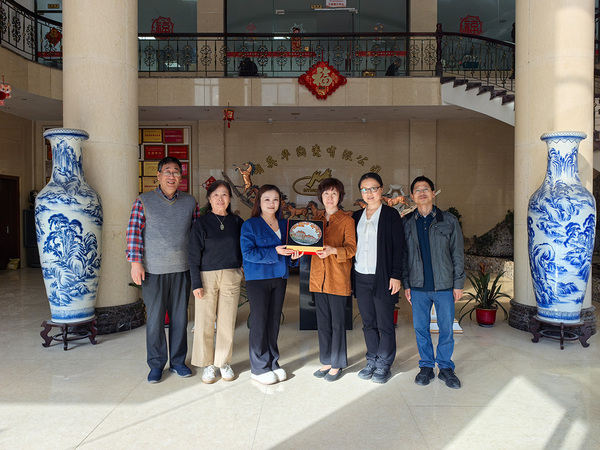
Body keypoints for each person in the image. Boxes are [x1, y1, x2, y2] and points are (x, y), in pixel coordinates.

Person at [126, 156, 200, 383]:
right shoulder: (143, 201)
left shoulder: (190, 202)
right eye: (167, 172)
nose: (171, 176)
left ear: (181, 177)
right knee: (156, 320)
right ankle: (156, 364)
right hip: (153, 271)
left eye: (176, 172)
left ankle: (178, 362)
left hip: (182, 269)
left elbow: (196, 235)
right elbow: (133, 233)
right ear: (158, 175)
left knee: (180, 318)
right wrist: (135, 263)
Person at [402, 176, 465, 389]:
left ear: (433, 193)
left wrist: (458, 283)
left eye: (426, 189)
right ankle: (426, 366)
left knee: (446, 328)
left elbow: (457, 253)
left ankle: (446, 367)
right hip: (418, 286)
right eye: (417, 190)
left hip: (444, 285)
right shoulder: (407, 223)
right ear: (412, 196)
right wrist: (407, 284)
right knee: (421, 329)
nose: (422, 193)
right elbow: (404, 256)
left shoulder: (448, 220)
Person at [240, 184, 302, 385]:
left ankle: (273, 362)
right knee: (259, 321)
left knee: (274, 321)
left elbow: (289, 253)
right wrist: (275, 251)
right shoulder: (250, 225)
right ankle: (258, 368)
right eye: (266, 199)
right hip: (258, 279)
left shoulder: (285, 225)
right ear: (259, 202)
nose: (271, 203)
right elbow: (248, 253)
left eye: (275, 199)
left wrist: (294, 257)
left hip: (280, 278)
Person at [188, 180, 244, 384]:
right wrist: (196, 282)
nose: (220, 199)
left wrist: (242, 266)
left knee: (227, 322)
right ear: (209, 199)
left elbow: (245, 246)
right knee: (204, 322)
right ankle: (207, 365)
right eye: (216, 195)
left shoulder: (237, 222)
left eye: (224, 195)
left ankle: (223, 362)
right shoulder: (201, 223)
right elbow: (193, 255)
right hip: (206, 277)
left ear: (229, 199)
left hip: (231, 275)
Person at [352, 172, 406, 384]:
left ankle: (384, 363)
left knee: (385, 323)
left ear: (381, 190)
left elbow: (399, 247)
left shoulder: (391, 215)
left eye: (373, 188)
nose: (369, 193)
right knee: (368, 323)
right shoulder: (356, 216)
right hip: (360, 276)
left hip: (383, 277)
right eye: (365, 189)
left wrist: (396, 275)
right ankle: (372, 360)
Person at [310, 178, 356, 382]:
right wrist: (298, 250)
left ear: (340, 196)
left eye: (334, 193)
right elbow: (307, 244)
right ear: (321, 196)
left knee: (337, 323)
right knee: (323, 323)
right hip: (318, 278)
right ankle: (327, 360)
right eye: (326, 193)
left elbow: (351, 249)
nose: (330, 197)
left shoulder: (347, 220)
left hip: (338, 278)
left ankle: (337, 363)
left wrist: (332, 250)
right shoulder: (315, 219)